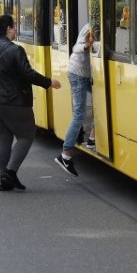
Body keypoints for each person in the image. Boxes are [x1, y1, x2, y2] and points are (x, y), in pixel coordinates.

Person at [0, 14, 61, 192]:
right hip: (13, 102)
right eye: (14, 27)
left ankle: (3, 180)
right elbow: (27, 74)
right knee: (26, 135)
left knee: (2, 139)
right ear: (8, 29)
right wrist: (48, 82)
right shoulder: (15, 50)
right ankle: (10, 172)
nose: (16, 30)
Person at [54, 22, 94, 176]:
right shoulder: (89, 26)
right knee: (79, 114)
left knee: (101, 103)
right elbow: (76, 48)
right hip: (77, 74)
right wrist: (86, 46)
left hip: (85, 75)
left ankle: (92, 138)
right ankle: (65, 154)